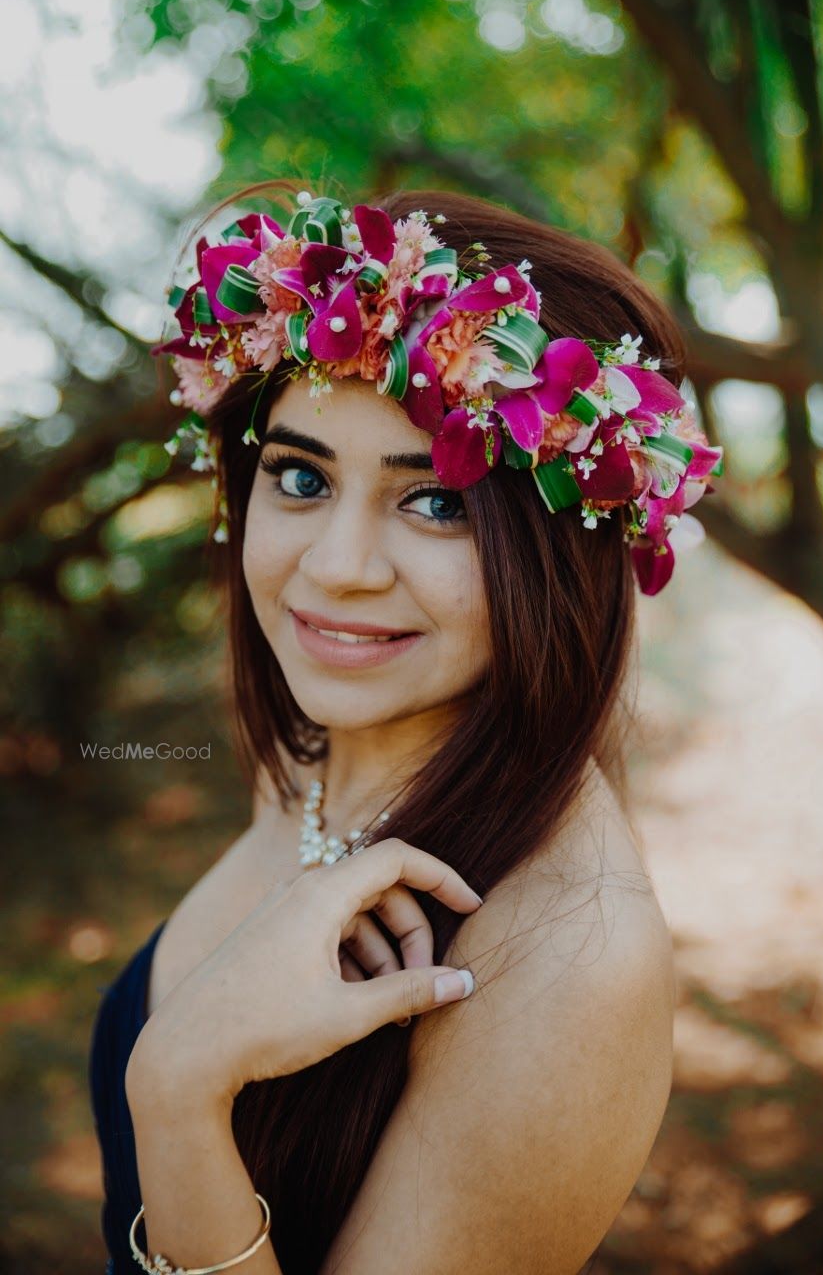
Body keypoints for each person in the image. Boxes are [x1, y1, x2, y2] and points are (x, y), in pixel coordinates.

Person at [89, 181, 723, 1275]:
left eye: (434, 500)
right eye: (298, 475)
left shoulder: (571, 958)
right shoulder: (317, 755)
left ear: (563, 547)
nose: (335, 568)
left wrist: (180, 1094)